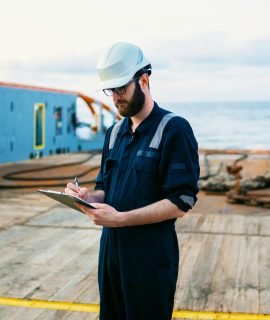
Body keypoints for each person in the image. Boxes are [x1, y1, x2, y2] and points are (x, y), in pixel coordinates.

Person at [65, 42, 200, 320]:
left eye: (121, 89)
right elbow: (106, 189)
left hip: (149, 260)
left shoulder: (173, 129)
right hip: (111, 257)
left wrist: (121, 219)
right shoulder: (114, 133)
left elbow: (181, 201)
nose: (115, 98)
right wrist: (87, 198)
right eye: (110, 90)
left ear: (144, 80)